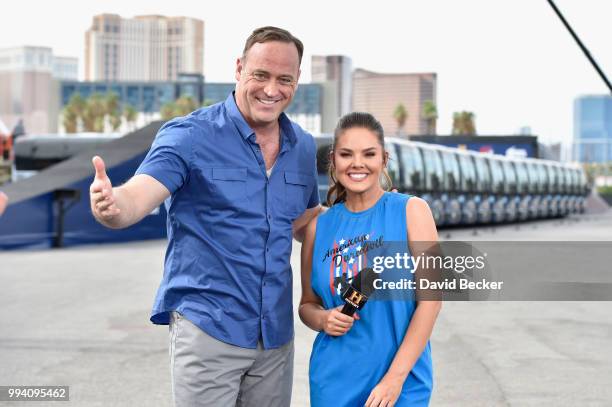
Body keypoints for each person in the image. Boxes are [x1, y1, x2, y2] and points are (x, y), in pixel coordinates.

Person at [89, 26, 321, 407]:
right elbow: (140, 193)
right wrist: (114, 206)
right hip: (209, 326)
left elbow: (302, 220)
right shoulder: (189, 135)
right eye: (260, 75)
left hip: (275, 336)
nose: (271, 89)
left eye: (285, 79)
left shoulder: (303, 146)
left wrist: (373, 215)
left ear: (296, 81)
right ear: (239, 69)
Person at [299, 112, 442, 406]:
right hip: (334, 382)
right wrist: (324, 319)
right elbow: (306, 305)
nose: (357, 163)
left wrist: (395, 379)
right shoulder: (318, 228)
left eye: (369, 154)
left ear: (384, 159)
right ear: (334, 161)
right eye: (346, 154)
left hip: (401, 384)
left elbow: (431, 301)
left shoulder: (412, 211)